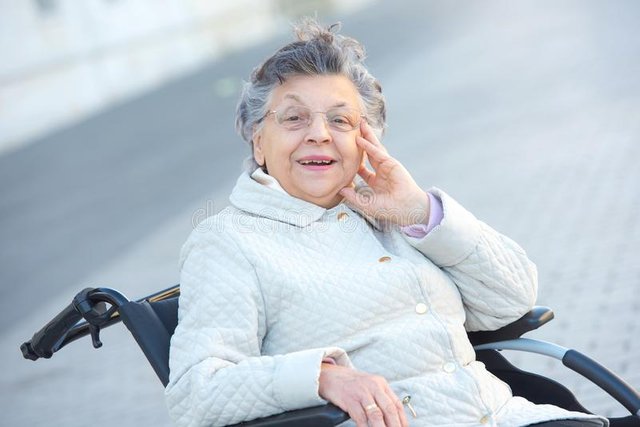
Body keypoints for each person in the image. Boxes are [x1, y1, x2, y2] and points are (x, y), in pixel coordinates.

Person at [165, 19, 607, 427]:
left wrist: (418, 210)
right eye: (294, 118)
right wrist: (320, 377)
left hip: (506, 414)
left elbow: (512, 300)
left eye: (340, 120)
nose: (319, 133)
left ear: (366, 141)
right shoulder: (228, 242)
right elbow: (194, 393)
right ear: (259, 141)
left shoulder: (394, 211)